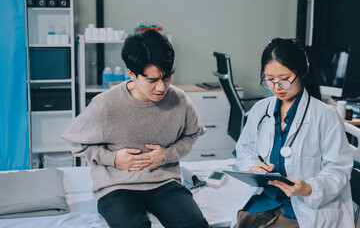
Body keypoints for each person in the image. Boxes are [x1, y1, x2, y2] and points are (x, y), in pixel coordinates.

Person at [62, 30, 209, 228]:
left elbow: (193, 133)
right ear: (131, 74)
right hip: (117, 186)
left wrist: (167, 154)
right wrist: (112, 159)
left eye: (166, 78)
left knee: (196, 225)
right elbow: (74, 141)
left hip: (164, 181)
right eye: (152, 80)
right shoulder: (106, 105)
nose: (161, 87)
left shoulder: (179, 100)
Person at [232, 38, 354, 228]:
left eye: (285, 79)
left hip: (306, 205)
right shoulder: (260, 110)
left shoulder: (326, 116)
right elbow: (244, 150)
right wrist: (252, 166)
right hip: (265, 200)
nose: (277, 87)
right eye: (270, 80)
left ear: (302, 73)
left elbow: (339, 169)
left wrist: (309, 187)